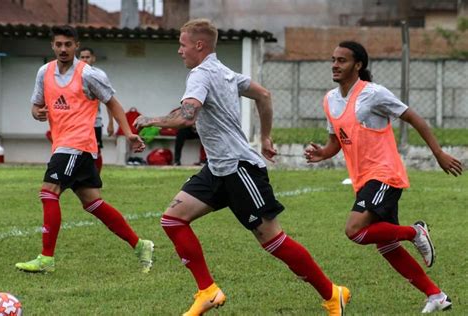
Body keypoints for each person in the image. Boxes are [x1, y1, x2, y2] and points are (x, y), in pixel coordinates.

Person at [134, 18, 350, 316]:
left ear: (199, 45)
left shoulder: (200, 75)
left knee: (273, 240)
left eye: (182, 44)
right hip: (218, 169)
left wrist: (152, 120)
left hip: (239, 169)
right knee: (173, 220)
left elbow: (187, 116)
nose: (179, 51)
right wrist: (264, 136)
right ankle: (208, 292)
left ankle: (332, 294)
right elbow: (263, 94)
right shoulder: (224, 73)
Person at [305, 41, 463, 313]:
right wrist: (322, 153)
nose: (335, 64)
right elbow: (337, 141)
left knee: (354, 230)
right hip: (363, 180)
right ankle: (436, 295)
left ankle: (415, 232)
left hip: (385, 174)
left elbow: (415, 119)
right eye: (333, 59)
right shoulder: (330, 99)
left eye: (342, 60)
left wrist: (438, 153)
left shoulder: (374, 94)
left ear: (358, 65)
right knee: (386, 245)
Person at [15, 25, 154, 274]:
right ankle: (140, 244)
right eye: (58, 44)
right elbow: (36, 107)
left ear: (76, 46)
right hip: (65, 145)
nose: (63, 49)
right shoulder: (43, 72)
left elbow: (113, 102)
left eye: (68, 44)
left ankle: (46, 258)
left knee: (48, 192)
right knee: (93, 203)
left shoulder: (88, 74)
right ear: (52, 46)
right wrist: (37, 113)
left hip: (77, 144)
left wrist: (128, 132)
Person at [78, 47, 114, 173]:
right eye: (82, 57)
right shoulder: (73, 74)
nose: (84, 60)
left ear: (93, 58)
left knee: (96, 151)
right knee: (78, 151)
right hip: (76, 122)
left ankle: (96, 178)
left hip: (95, 122)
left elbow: (109, 100)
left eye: (87, 57)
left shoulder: (100, 75)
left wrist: (110, 122)